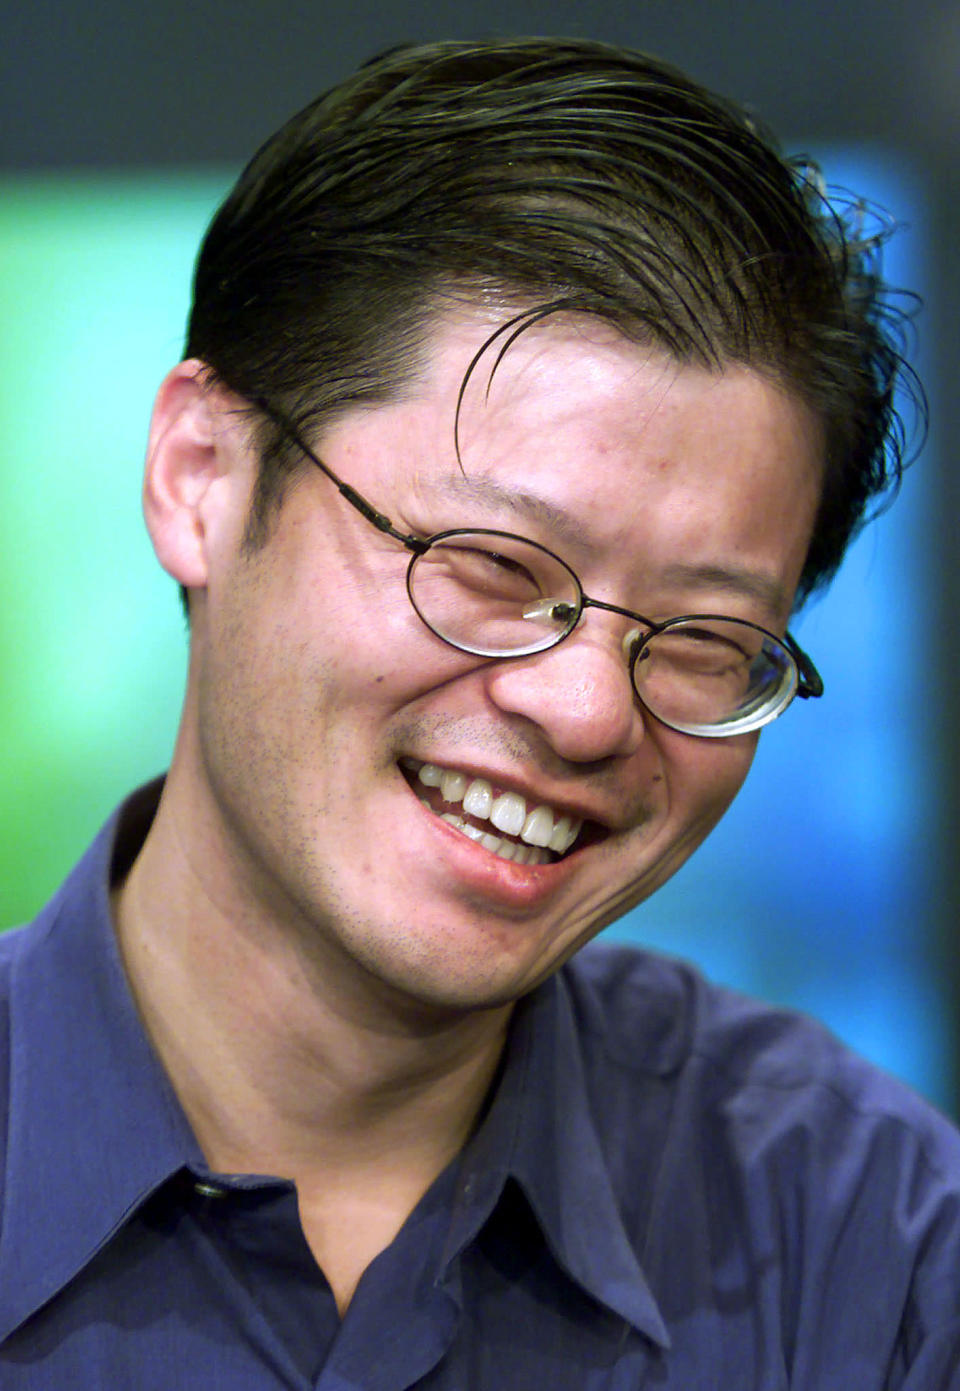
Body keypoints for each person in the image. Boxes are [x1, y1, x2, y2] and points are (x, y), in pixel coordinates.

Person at [2, 36, 957, 1389]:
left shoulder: (871, 1245)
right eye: (495, 569)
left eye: (705, 639)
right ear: (202, 476)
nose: (581, 715)